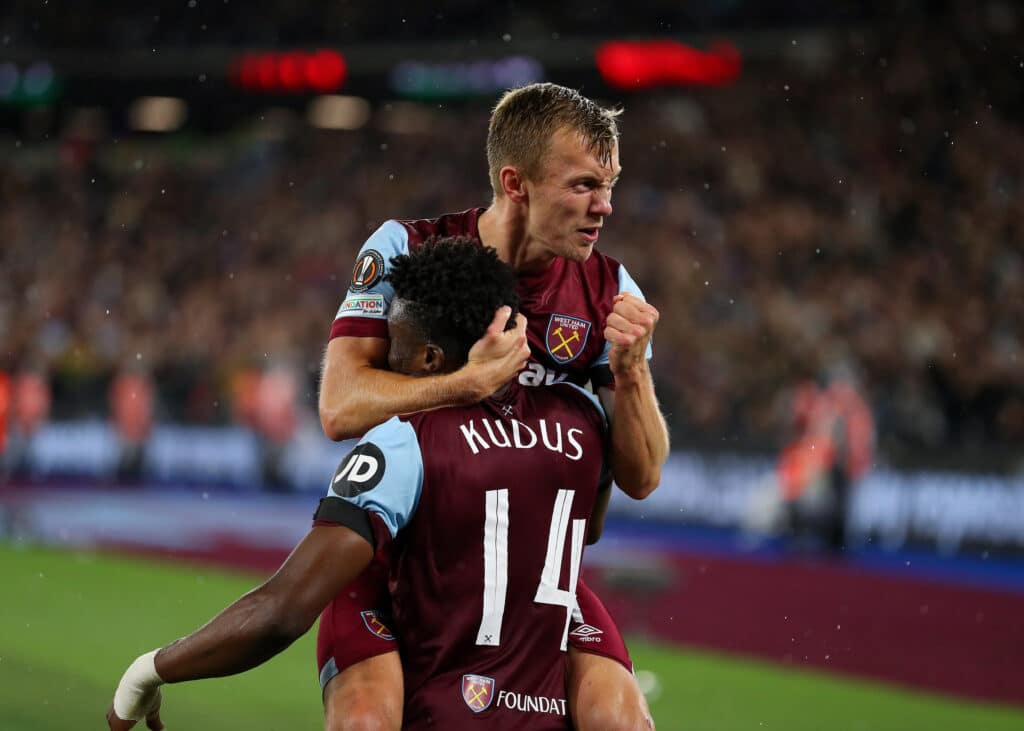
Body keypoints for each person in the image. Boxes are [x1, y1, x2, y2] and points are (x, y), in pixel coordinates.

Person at [108, 239, 614, 730]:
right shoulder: (585, 421)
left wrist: (151, 670)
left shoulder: (405, 440)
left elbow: (282, 612)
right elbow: (587, 527)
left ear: (430, 361)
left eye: (397, 345)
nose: (384, 358)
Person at [318, 82, 666, 731]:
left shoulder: (610, 289)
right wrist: (465, 382)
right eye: (585, 185)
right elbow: (340, 406)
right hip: (408, 558)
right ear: (516, 182)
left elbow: (643, 477)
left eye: (610, 184)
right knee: (364, 721)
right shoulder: (406, 248)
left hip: (531, 576)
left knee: (623, 722)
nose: (605, 206)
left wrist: (632, 369)